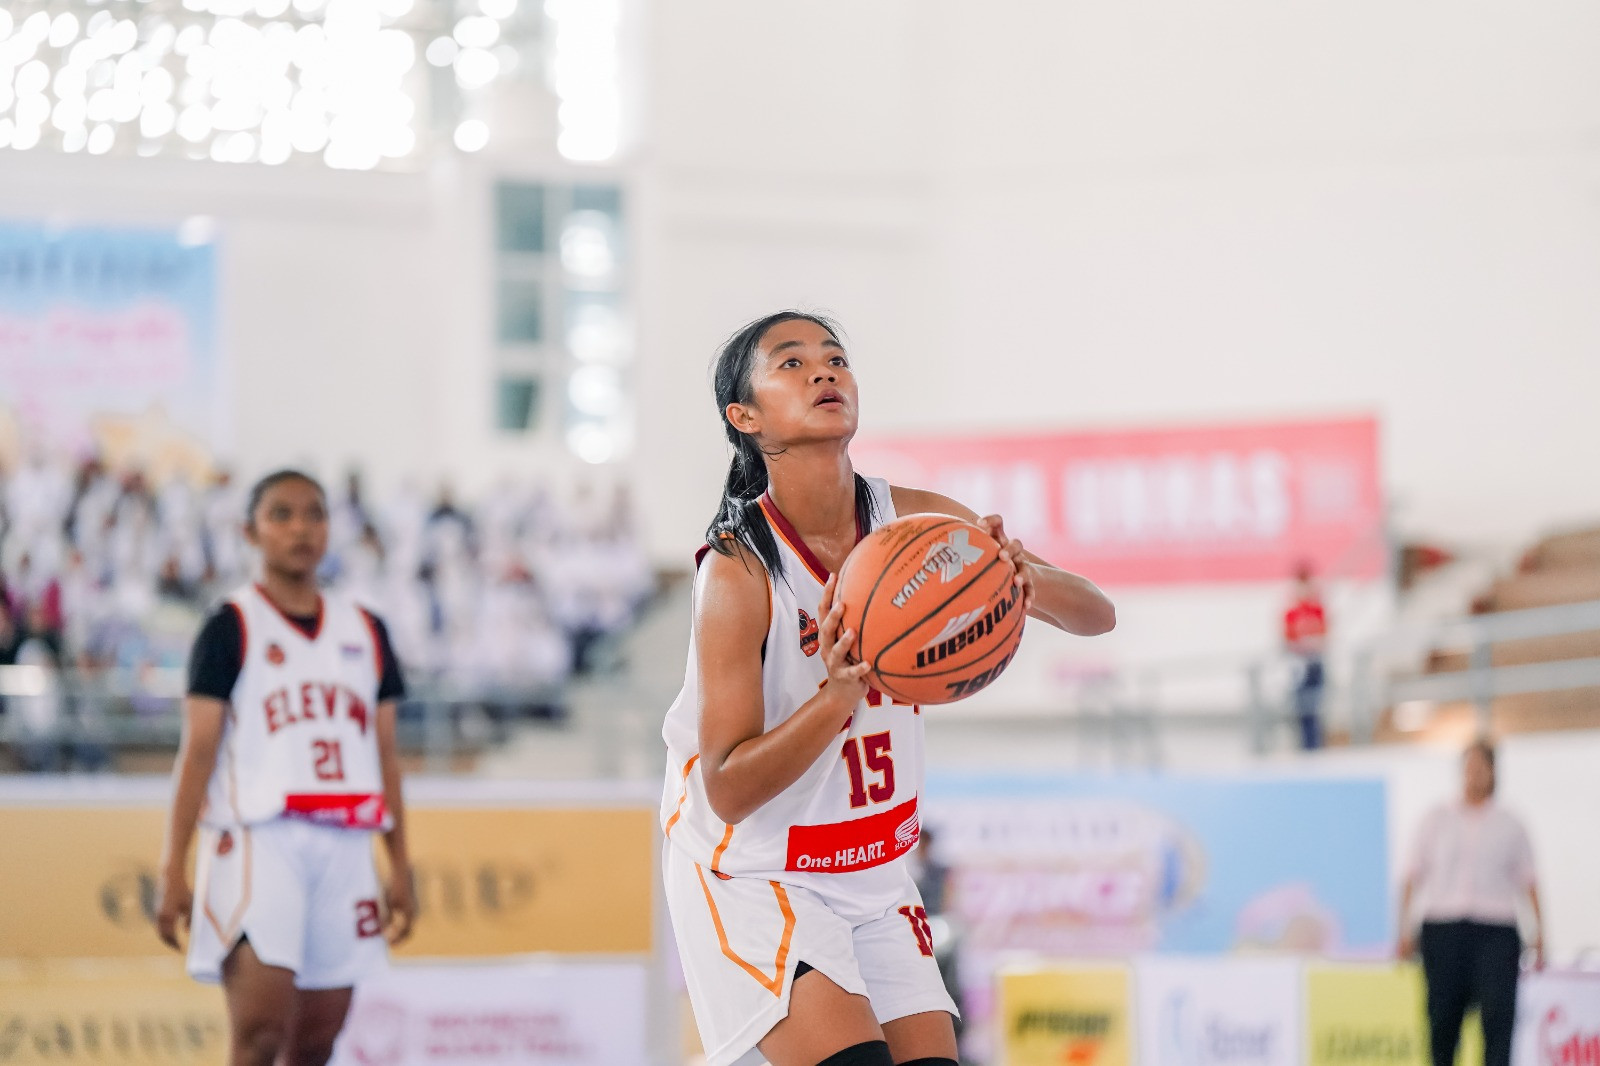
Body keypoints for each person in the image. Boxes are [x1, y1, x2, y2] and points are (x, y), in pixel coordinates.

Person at [660, 312, 1116, 1066]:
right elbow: (729, 789)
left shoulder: (921, 526)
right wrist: (835, 699)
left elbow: (1097, 615)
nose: (824, 372)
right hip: (755, 870)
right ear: (745, 418)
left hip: (870, 868)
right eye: (792, 363)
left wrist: (1021, 577)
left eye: (835, 358)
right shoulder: (739, 571)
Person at [154, 470, 416, 1066]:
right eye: (282, 514)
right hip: (260, 836)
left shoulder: (367, 630)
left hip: (345, 840)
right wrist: (173, 863)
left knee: (318, 1041)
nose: (301, 528)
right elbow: (198, 750)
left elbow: (386, 757)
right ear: (250, 532)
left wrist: (399, 863)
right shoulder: (230, 624)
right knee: (260, 1035)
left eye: (314, 514)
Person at [1397, 738, 1543, 1066]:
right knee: (1442, 1022)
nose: (1475, 774)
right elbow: (1411, 877)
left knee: (1498, 1022)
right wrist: (1404, 930)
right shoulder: (1435, 818)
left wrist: (1540, 932)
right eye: (1469, 766)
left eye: (1482, 766)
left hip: (1495, 932)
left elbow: (1530, 882)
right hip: (1443, 931)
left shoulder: (1510, 823)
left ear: (1493, 771)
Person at [1283, 561, 1327, 749]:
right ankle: (1304, 745)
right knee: (1301, 707)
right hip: (1300, 664)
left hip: (1315, 662)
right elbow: (1288, 637)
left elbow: (1324, 634)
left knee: (1317, 706)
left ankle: (1317, 744)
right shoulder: (1292, 611)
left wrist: (1312, 644)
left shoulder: (1317, 609)